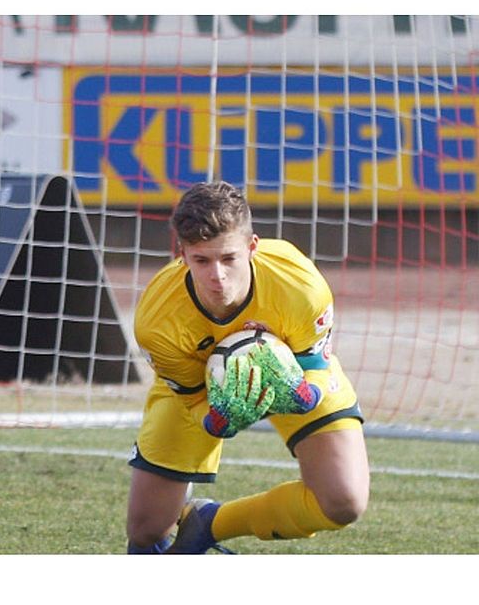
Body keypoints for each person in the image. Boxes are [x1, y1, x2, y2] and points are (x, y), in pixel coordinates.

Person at [127, 181, 370, 554]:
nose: (217, 277)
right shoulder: (157, 320)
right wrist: (214, 420)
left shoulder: (300, 285)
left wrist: (308, 392)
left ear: (252, 247)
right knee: (145, 530)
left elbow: (315, 362)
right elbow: (192, 399)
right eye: (202, 261)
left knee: (344, 502)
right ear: (183, 254)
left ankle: (209, 523)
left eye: (229, 259)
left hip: (295, 374)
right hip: (202, 392)